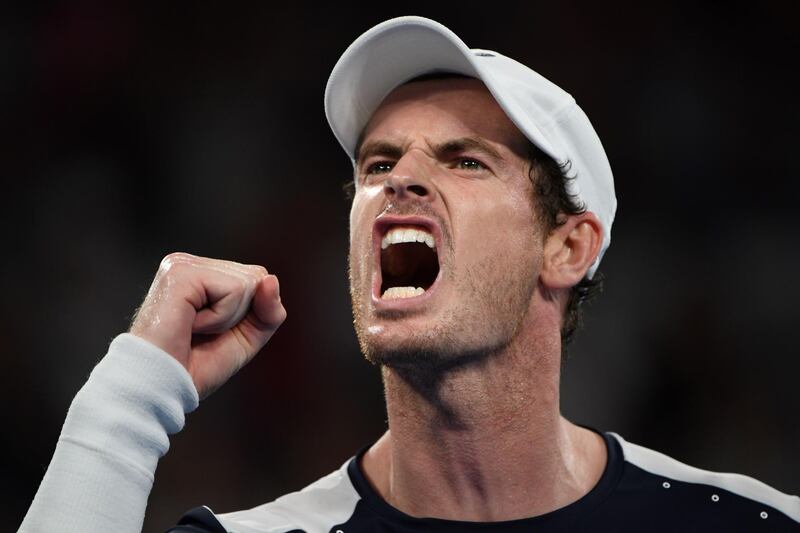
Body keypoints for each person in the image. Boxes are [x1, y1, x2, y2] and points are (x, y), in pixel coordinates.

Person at [19, 15, 800, 533]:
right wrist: (128, 402)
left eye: (466, 159)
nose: (399, 180)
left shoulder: (742, 522)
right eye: (378, 162)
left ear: (567, 247)